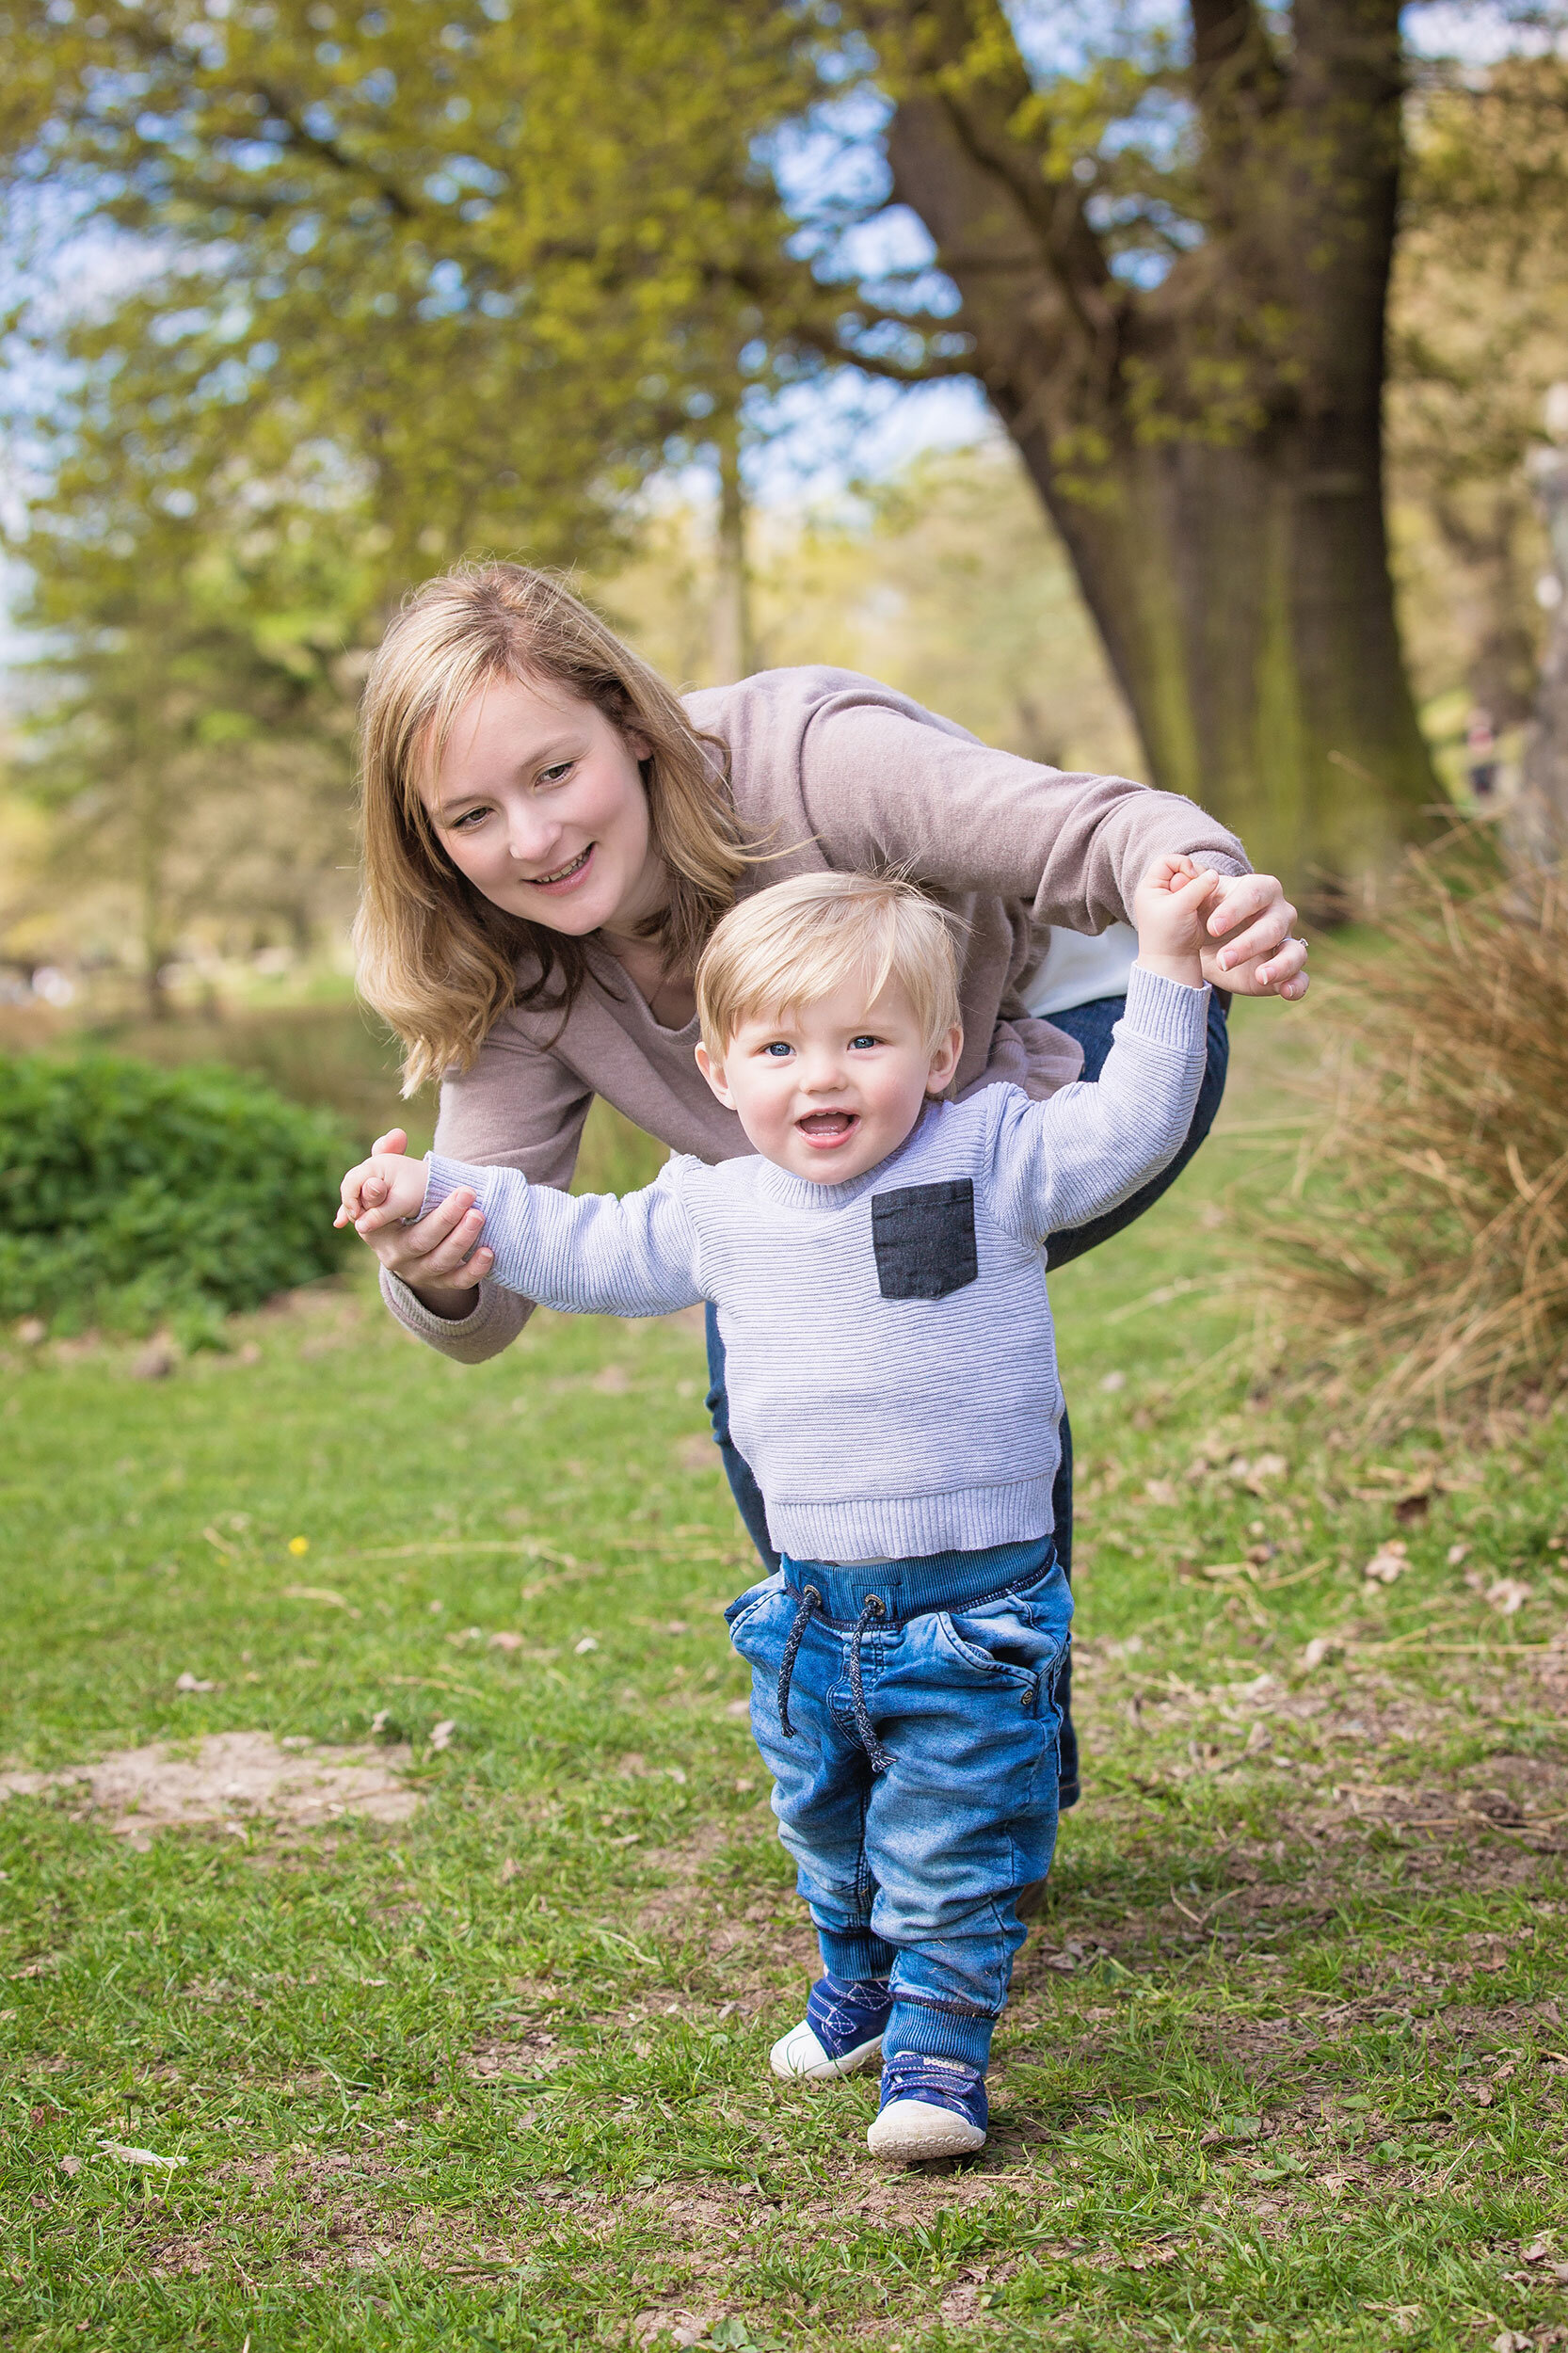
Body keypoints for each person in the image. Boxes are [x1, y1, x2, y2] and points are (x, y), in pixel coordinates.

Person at [347, 561, 1309, 1809]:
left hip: (1082, 1037)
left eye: (551, 773)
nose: (531, 840)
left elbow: (1098, 831)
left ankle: (985, 1745)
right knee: (809, 1306)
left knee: (896, 1289)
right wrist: (425, 1262)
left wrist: (1209, 896)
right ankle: (893, 1713)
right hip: (836, 1174)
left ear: (630, 724)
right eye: (470, 817)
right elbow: (492, 1265)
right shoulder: (511, 971)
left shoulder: (808, 761)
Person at [338, 863, 1218, 2162]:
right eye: (778, 1047)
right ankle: (856, 1983)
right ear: (717, 1068)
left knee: (957, 1836)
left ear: (940, 1052)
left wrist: (1169, 967)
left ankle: (937, 2051)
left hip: (979, 1609)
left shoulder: (994, 1155)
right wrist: (428, 1202)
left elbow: (1133, 1119)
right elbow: (574, 1242)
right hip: (809, 1610)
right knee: (826, 1819)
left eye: (864, 1041)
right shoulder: (717, 1208)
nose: (822, 1077)